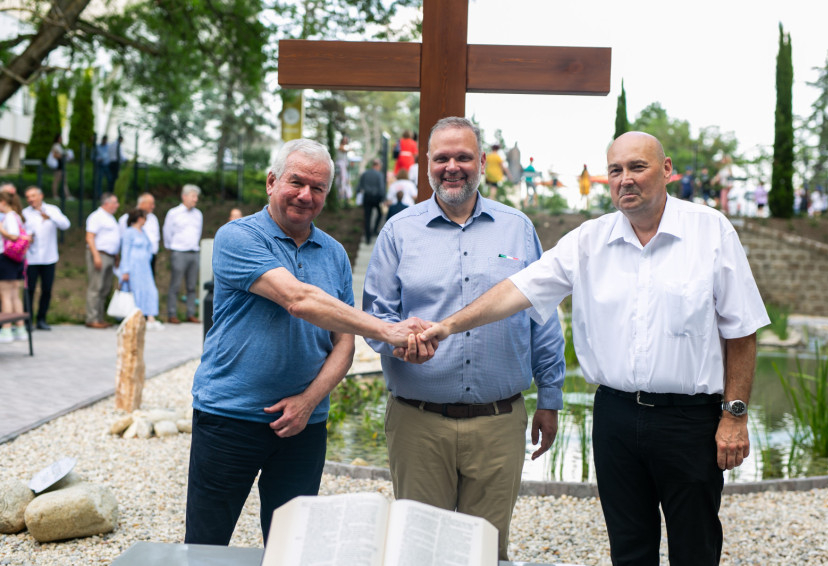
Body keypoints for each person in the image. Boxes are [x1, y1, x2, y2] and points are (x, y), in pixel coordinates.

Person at [419, 131, 770, 565]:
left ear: (666, 170)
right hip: (615, 418)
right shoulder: (588, 240)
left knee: (695, 548)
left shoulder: (710, 230)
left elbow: (742, 331)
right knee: (629, 548)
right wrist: (447, 327)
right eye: (615, 170)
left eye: (637, 167)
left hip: (690, 421)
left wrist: (734, 416)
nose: (625, 179)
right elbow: (516, 290)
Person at [184, 138, 434, 547]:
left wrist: (307, 402)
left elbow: (343, 345)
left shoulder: (334, 253)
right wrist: (388, 330)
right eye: (296, 182)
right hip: (229, 416)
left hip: (304, 426)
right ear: (271, 182)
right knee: (205, 544)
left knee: (292, 546)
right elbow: (298, 299)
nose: (305, 195)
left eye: (318, 188)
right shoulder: (237, 237)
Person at [363, 117, 565, 561]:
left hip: (498, 424)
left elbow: (544, 316)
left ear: (482, 162)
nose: (452, 167)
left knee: (487, 552)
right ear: (427, 165)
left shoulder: (517, 228)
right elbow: (376, 317)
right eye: (442, 158)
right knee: (420, 552)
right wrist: (398, 340)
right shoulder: (399, 230)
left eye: (463, 157)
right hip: (418, 424)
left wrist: (550, 398)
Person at [22, 186, 71, 330]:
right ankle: (27, 320)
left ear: (40, 196)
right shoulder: (25, 213)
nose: (30, 199)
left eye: (33, 196)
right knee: (29, 289)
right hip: (31, 258)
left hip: (49, 257)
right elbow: (21, 232)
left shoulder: (52, 210)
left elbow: (65, 225)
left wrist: (50, 216)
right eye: (28, 197)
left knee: (47, 289)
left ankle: (42, 319)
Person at [163, 185, 203, 324]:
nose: (196, 199)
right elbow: (167, 233)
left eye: (196, 197)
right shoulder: (173, 213)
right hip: (179, 252)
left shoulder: (198, 214)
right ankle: (172, 314)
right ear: (184, 196)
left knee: (192, 286)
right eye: (193, 196)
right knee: (175, 285)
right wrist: (172, 247)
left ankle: (190, 313)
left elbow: (198, 232)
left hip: (194, 252)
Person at [119, 208, 162, 330]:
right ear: (139, 219)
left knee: (150, 289)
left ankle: (150, 316)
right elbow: (125, 251)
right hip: (134, 266)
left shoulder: (143, 232)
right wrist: (125, 270)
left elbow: (149, 247)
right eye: (144, 218)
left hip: (144, 267)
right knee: (136, 290)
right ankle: (135, 317)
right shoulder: (129, 232)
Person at [85, 193, 121, 328]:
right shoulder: (96, 216)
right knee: (96, 287)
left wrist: (116, 256)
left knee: (105, 288)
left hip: (110, 256)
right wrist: (96, 256)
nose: (117, 205)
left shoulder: (110, 218)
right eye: (115, 203)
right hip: (100, 255)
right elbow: (90, 237)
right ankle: (92, 318)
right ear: (107, 203)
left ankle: (99, 317)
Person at [0, 192, 30, 343]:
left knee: (5, 294)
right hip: (15, 259)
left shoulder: (10, 217)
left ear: (3, 202)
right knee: (13, 294)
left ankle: (6, 329)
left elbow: (14, 236)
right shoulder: (16, 216)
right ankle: (20, 328)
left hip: (7, 259)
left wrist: (1, 229)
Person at [119, 193, 160, 277]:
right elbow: (124, 243)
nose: (153, 206)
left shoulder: (153, 219)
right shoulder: (126, 219)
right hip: (134, 261)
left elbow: (156, 237)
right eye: (151, 204)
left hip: (150, 257)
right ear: (142, 203)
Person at [356, 158, 385, 244]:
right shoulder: (379, 175)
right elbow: (381, 188)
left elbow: (359, 187)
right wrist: (383, 198)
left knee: (367, 217)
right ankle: (375, 230)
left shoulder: (365, 174)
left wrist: (358, 196)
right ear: (378, 165)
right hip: (377, 198)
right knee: (380, 214)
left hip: (367, 197)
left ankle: (368, 238)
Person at [49, 133, 72, 201]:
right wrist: (63, 155)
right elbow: (55, 155)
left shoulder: (59, 146)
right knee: (56, 181)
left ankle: (67, 195)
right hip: (58, 167)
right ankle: (55, 195)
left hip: (62, 166)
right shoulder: (55, 146)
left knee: (64, 181)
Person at [94, 135, 110, 201]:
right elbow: (94, 156)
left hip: (107, 165)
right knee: (99, 181)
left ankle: (109, 195)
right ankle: (100, 195)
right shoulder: (98, 147)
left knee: (109, 180)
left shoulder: (108, 147)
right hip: (100, 165)